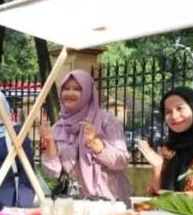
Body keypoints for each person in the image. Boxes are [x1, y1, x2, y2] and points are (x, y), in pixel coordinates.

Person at [40, 70, 132, 203]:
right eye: (66, 88)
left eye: (77, 89)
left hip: (109, 201)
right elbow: (53, 173)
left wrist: (95, 143)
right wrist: (50, 143)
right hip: (77, 203)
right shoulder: (59, 128)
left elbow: (121, 161)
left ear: (88, 92)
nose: (70, 93)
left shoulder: (106, 121)